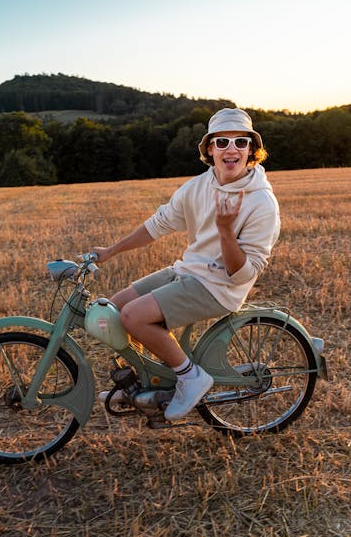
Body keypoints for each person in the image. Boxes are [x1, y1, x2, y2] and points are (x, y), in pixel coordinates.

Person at [92, 108, 280, 421]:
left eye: (240, 142)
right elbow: (157, 225)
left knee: (133, 316)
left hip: (220, 286)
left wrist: (225, 230)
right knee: (114, 311)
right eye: (221, 142)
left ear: (251, 150)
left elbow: (243, 274)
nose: (231, 149)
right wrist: (111, 251)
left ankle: (191, 377)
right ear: (210, 149)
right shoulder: (198, 187)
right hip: (189, 271)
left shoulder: (261, 202)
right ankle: (143, 381)